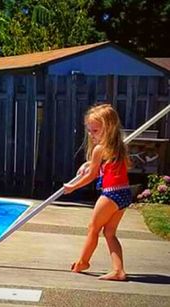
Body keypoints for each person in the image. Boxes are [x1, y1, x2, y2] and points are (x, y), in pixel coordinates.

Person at [64, 103, 132, 281]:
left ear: (108, 128)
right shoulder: (119, 147)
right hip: (124, 194)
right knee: (109, 233)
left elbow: (92, 175)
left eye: (94, 130)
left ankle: (83, 261)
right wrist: (88, 164)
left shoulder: (99, 149)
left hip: (110, 194)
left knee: (93, 229)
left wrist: (73, 186)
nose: (90, 134)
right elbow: (103, 165)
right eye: (89, 130)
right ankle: (119, 270)